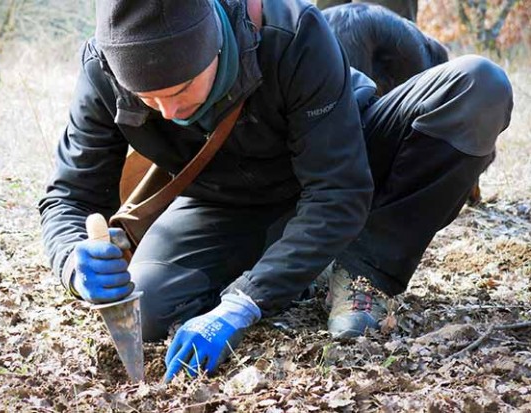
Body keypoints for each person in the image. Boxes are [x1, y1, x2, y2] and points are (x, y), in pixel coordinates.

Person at [39, 0, 513, 382]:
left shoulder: (293, 31)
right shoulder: (103, 70)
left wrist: (241, 304)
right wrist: (72, 262)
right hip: (227, 200)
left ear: (215, 47)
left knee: (480, 87)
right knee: (148, 309)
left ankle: (366, 270)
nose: (166, 111)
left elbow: (337, 190)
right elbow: (68, 196)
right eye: (146, 98)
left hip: (347, 155)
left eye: (181, 88)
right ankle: (296, 256)